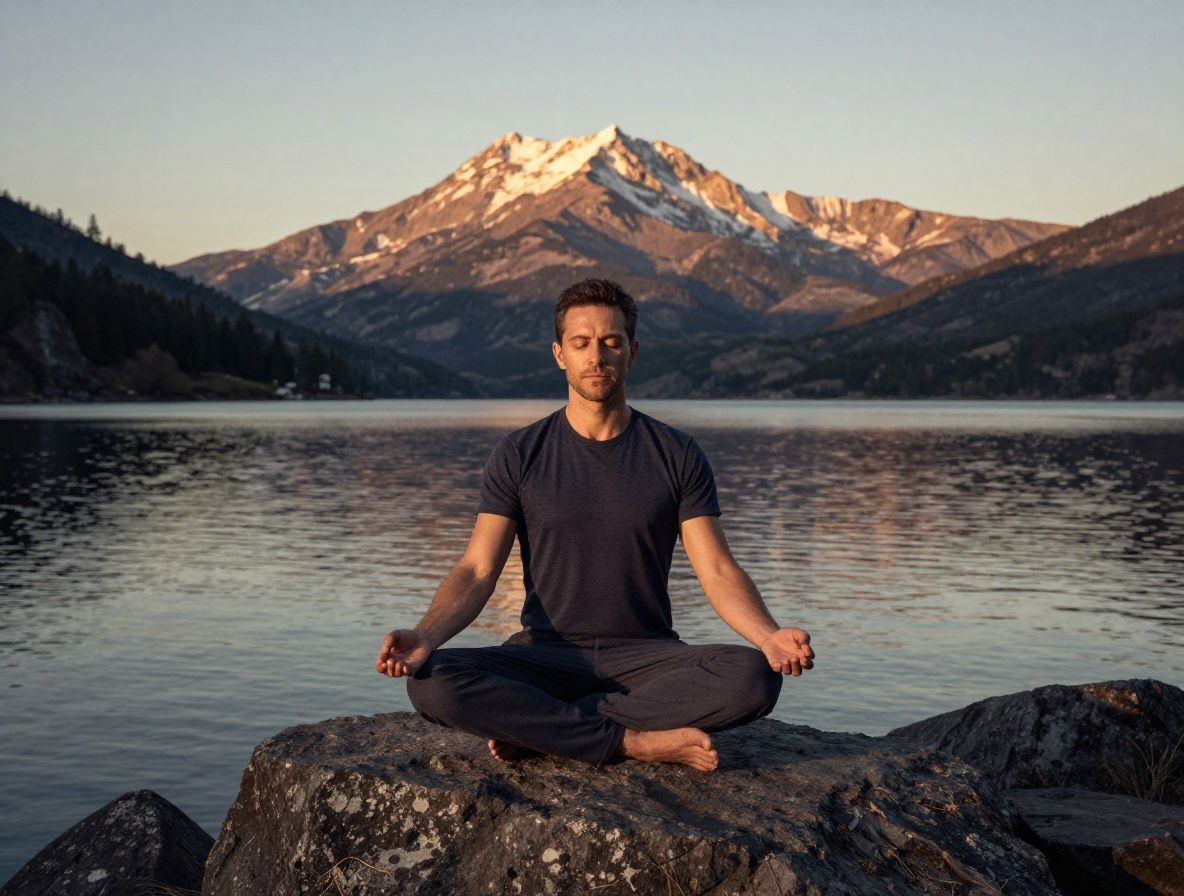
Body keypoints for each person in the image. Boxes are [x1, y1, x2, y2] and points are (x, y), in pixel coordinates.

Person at [375, 278, 814, 771]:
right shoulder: (520, 454)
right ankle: (635, 742)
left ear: (633, 351)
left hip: (646, 659)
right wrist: (426, 635)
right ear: (559, 354)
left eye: (611, 342)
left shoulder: (677, 454)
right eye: (581, 343)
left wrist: (768, 635)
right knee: (432, 680)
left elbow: (716, 569)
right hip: (544, 656)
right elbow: (478, 571)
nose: (596, 356)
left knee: (753, 676)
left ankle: (543, 729)